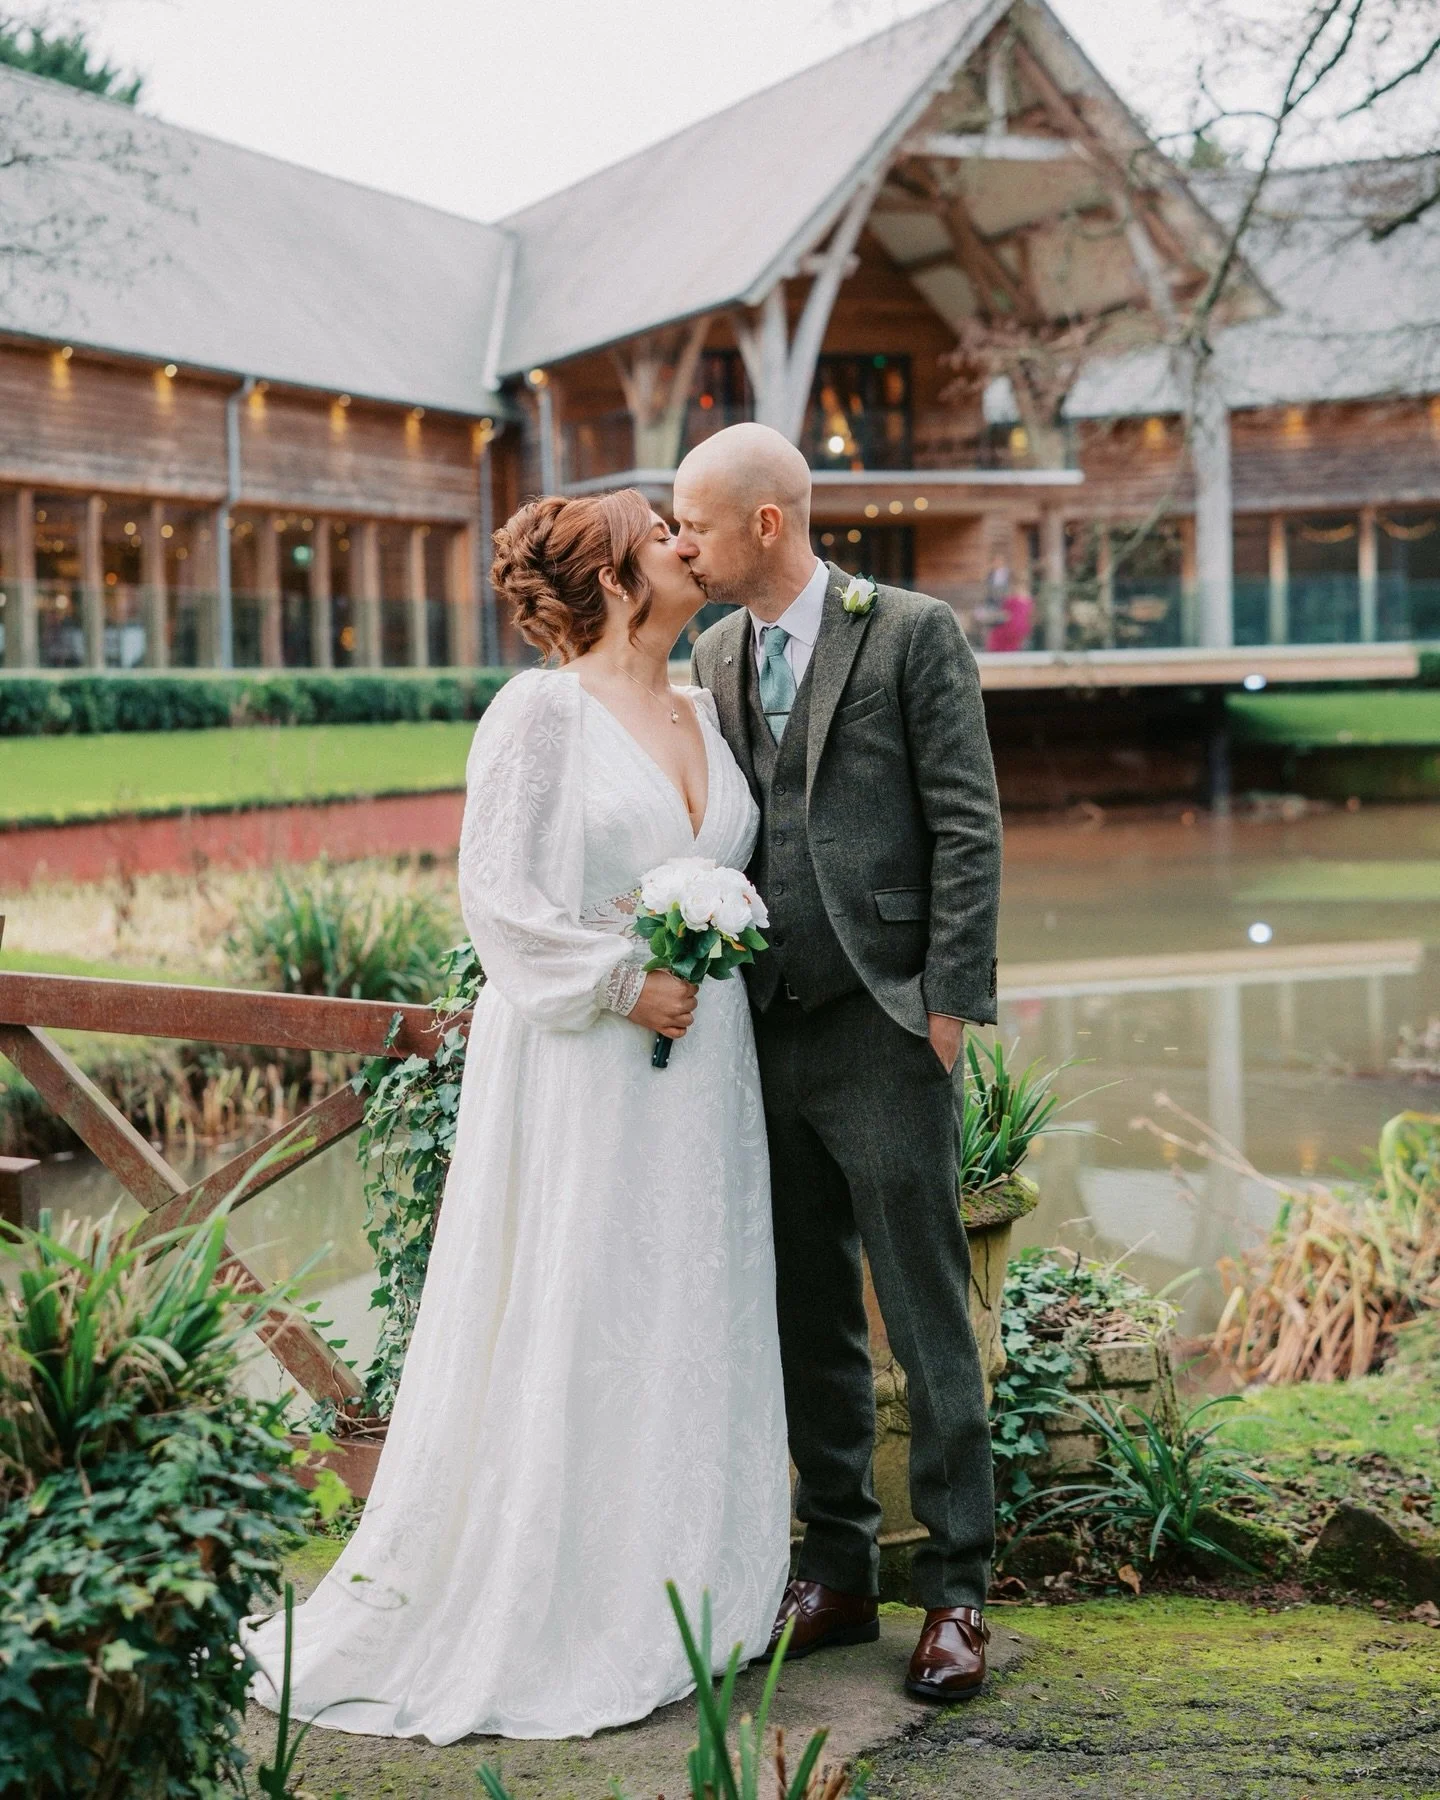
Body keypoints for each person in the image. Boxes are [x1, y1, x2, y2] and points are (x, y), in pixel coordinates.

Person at [242, 489, 791, 1743]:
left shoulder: (706, 701)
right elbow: (498, 901)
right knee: (584, 1307)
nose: (684, 542)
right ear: (607, 576)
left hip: (706, 1088)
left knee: (684, 1310)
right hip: (588, 1074)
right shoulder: (541, 712)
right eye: (660, 532)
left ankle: (683, 1583)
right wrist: (619, 981)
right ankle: (563, 1594)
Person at [678, 423, 1003, 1704]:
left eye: (695, 525)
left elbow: (968, 819)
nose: (680, 545)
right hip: (759, 1031)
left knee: (925, 1313)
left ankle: (960, 1592)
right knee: (802, 1306)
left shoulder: (911, 632)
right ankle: (841, 1570)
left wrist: (948, 1003)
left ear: (766, 522)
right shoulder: (708, 651)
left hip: (885, 1024)